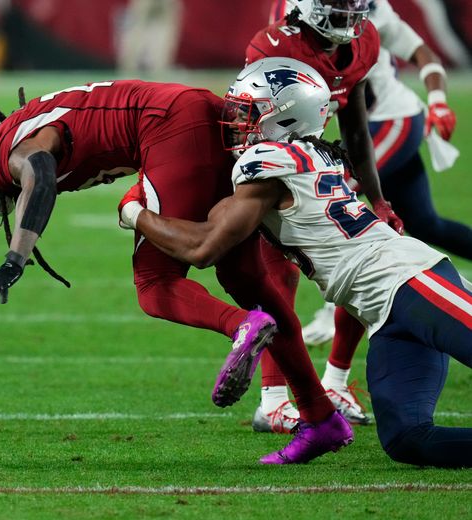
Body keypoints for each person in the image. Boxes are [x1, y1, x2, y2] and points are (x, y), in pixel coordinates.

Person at [0, 79, 351, 464]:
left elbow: (38, 168)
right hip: (191, 113)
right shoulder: (22, 124)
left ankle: (243, 328)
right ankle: (320, 418)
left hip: (170, 128)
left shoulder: (3, 153)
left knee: (154, 284)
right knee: (250, 283)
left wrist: (13, 259)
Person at [119, 56, 472, 468]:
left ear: (285, 120)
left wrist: (136, 214)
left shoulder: (266, 162)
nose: (233, 121)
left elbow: (204, 248)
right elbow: (215, 222)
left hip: (409, 279)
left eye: (247, 112)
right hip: (381, 311)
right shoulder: (305, 156)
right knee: (406, 439)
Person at [272, 0, 472, 401]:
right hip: (351, 130)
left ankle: (335, 370)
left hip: (388, 122)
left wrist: (436, 100)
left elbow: (423, 54)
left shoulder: (369, 12)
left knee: (343, 217)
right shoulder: (292, 15)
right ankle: (335, 377)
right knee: (425, 223)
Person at [243, 0, 405, 432]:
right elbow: (254, 120)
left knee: (363, 262)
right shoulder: (276, 44)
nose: (350, 11)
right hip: (271, 160)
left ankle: (335, 382)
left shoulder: (364, 41)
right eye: (338, 3)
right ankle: (273, 401)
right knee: (279, 277)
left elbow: (355, 125)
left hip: (319, 160)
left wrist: (378, 198)